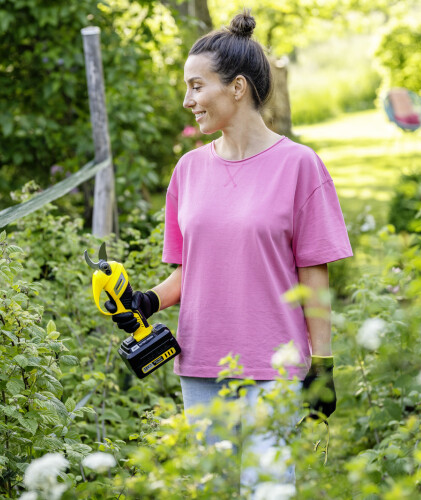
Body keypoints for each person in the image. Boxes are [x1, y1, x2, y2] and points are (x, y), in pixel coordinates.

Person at [107, 9, 352, 496]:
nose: (187, 100)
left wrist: (323, 366)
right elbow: (190, 272)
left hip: (274, 368)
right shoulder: (189, 171)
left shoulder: (300, 166)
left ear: (237, 87)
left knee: (269, 490)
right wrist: (147, 300)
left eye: (197, 86)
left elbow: (315, 277)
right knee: (211, 489)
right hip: (201, 365)